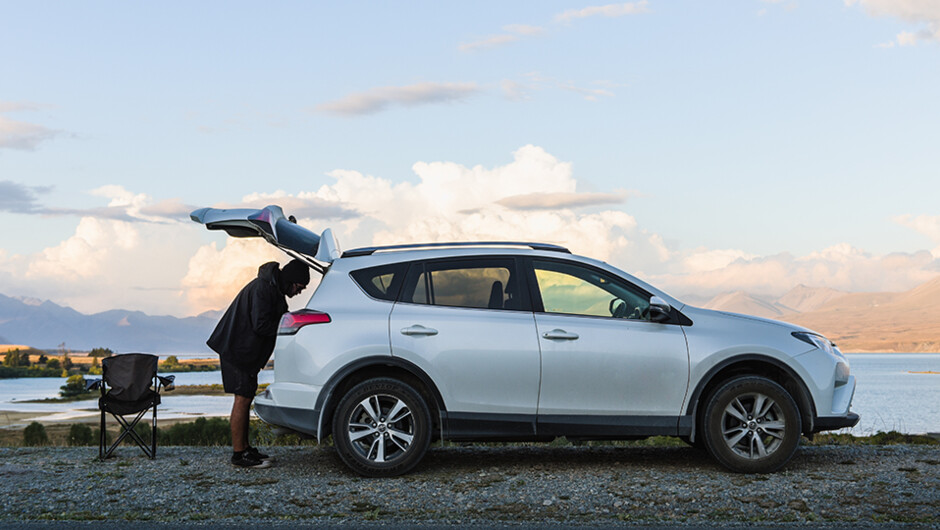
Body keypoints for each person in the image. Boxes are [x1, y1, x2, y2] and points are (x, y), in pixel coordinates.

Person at [208, 259, 310, 468]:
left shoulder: (274, 290)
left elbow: (280, 318)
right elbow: (261, 324)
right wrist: (287, 325)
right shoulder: (263, 289)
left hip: (244, 352)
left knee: (245, 398)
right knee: (242, 400)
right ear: (292, 281)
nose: (299, 292)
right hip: (236, 350)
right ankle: (239, 454)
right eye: (300, 287)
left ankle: (245, 449)